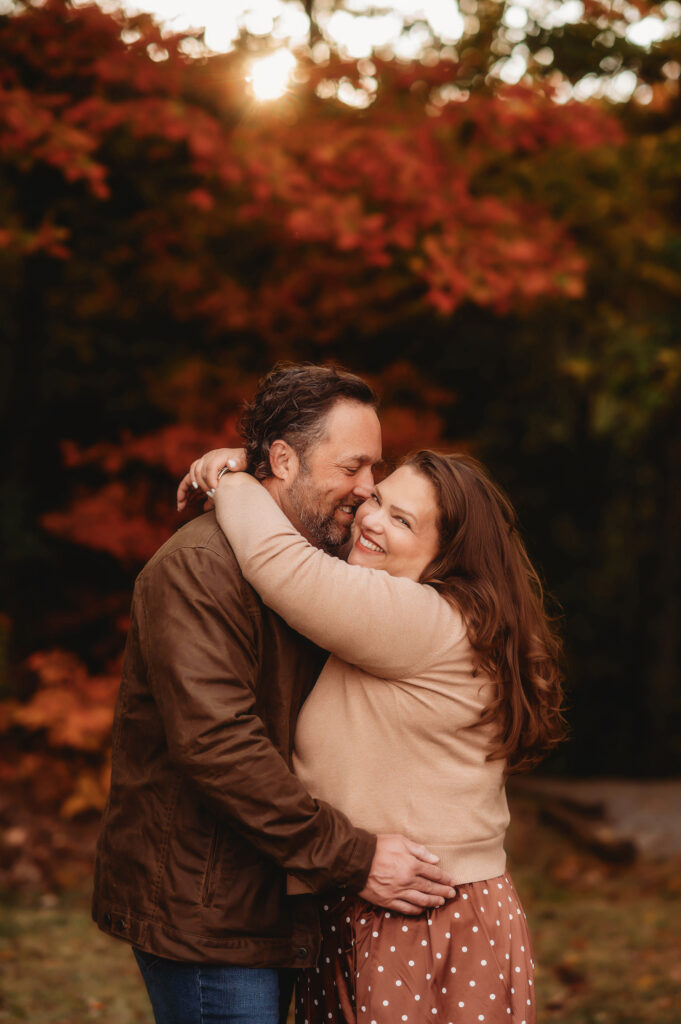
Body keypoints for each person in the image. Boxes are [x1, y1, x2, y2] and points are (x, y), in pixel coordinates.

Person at [92, 364, 458, 1024]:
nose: (367, 490)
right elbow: (218, 745)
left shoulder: (318, 564)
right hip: (213, 911)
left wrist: (238, 473)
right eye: (352, 467)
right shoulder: (197, 569)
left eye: (374, 470)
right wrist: (355, 857)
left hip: (286, 890)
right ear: (284, 460)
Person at [187, 445, 566, 1023]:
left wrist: (235, 480)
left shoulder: (420, 618)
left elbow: (279, 564)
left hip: (423, 918)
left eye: (403, 520)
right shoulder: (445, 618)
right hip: (394, 901)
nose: (370, 518)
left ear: (449, 554)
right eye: (379, 500)